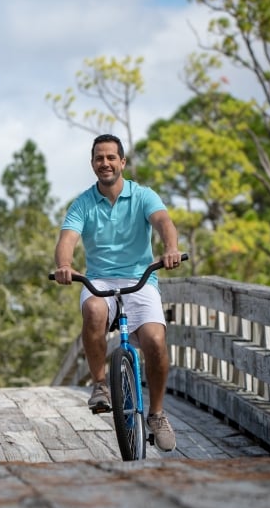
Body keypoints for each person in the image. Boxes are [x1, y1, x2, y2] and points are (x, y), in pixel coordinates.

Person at [52, 133, 183, 452]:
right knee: (94, 311)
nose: (105, 163)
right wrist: (64, 265)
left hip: (141, 279)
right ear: (92, 164)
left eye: (111, 157)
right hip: (99, 280)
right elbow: (68, 238)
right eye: (99, 158)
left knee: (154, 340)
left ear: (122, 162)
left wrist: (171, 248)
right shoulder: (83, 203)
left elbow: (163, 221)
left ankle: (156, 413)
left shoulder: (142, 195)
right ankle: (99, 385)